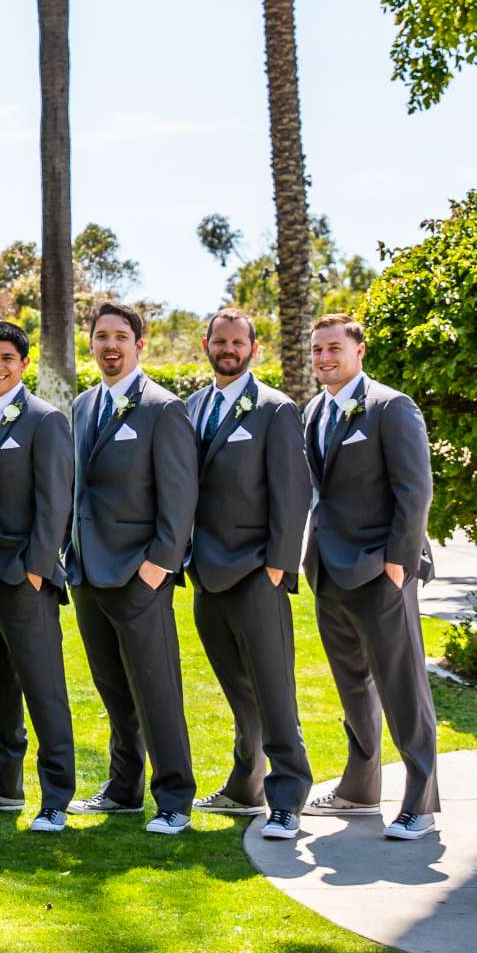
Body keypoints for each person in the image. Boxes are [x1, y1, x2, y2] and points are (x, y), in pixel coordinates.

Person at [300, 313, 442, 842]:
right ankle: (359, 791)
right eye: (316, 350)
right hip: (329, 570)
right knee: (353, 686)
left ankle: (421, 802)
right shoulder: (314, 410)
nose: (323, 358)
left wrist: (399, 562)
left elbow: (414, 490)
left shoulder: (391, 407)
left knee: (402, 686)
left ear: (359, 352)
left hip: (383, 570)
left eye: (333, 348)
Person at [67, 300, 199, 835]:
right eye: (101, 336)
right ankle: (123, 790)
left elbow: (180, 499)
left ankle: (174, 799)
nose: (110, 346)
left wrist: (158, 568)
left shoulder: (163, 408)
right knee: (113, 691)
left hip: (139, 577)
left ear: (139, 345)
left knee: (156, 690)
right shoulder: (81, 407)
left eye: (120, 336)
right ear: (91, 343)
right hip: (87, 575)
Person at [185, 308, 315, 842]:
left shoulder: (275, 409)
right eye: (220, 340)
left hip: (257, 572)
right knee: (237, 689)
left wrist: (279, 566)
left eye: (238, 342)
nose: (229, 349)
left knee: (274, 691)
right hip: (206, 573)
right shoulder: (191, 408)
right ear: (206, 344)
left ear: (253, 349)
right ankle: (246, 784)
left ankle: (287, 798)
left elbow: (293, 492)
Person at [0, 320, 80, 833]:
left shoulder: (44, 420)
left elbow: (56, 503)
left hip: (23, 578)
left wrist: (36, 571)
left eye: (7, 357)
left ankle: (56, 796)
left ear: (23, 363)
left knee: (43, 688)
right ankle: (5, 784)